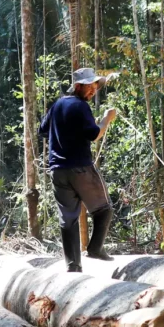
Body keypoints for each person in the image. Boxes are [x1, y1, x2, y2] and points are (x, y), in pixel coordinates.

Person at [38, 67, 117, 272]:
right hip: (81, 168)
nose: (93, 90)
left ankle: (73, 266)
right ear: (78, 86)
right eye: (90, 86)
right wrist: (107, 119)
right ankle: (95, 248)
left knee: (68, 218)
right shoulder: (81, 106)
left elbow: (43, 131)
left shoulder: (57, 105)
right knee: (103, 208)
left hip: (58, 171)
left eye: (95, 86)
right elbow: (94, 135)